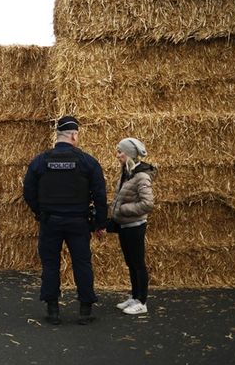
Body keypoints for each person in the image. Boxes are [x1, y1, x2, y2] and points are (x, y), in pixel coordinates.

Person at [23, 115, 107, 326]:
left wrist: (40, 212)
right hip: (78, 222)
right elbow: (100, 195)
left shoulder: (40, 161)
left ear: (58, 136)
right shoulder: (88, 162)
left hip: (50, 221)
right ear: (73, 135)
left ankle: (53, 311)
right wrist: (100, 223)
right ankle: (85, 310)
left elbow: (28, 191)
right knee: (82, 264)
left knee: (50, 264)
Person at [110, 137, 155, 316]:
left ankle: (142, 302)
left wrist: (124, 209)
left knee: (138, 263)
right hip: (125, 225)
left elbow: (148, 203)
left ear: (129, 154)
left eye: (120, 152)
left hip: (135, 226)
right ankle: (135, 297)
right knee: (131, 263)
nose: (117, 155)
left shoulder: (141, 176)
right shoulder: (127, 172)